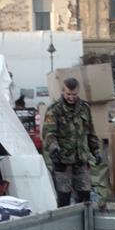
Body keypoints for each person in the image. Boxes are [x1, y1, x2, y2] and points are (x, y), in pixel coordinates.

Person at [42, 77, 102, 207]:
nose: (71, 97)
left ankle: (85, 224)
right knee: (64, 198)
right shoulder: (54, 110)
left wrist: (96, 150)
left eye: (74, 94)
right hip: (63, 162)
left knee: (85, 197)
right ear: (63, 92)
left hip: (81, 160)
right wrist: (54, 147)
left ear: (78, 92)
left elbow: (91, 132)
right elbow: (49, 133)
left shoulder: (84, 108)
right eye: (68, 94)